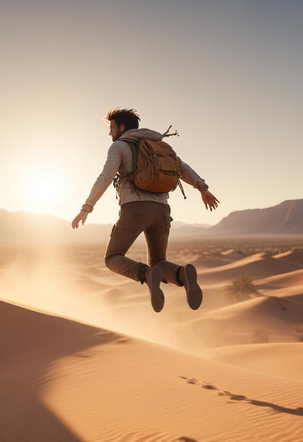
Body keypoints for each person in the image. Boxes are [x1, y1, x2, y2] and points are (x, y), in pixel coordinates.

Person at [71, 108, 219, 313]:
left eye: (112, 128)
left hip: (135, 210)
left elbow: (104, 177)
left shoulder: (119, 146)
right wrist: (203, 188)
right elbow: (183, 168)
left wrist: (86, 208)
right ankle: (182, 274)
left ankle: (146, 274)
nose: (110, 133)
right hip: (162, 212)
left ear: (121, 127)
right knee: (159, 261)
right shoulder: (160, 145)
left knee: (112, 257)